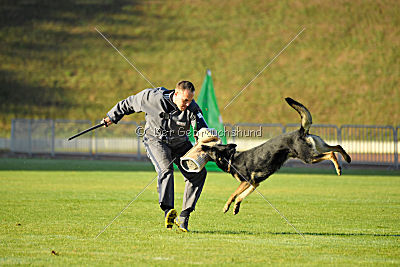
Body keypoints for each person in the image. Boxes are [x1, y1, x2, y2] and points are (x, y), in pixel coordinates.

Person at [102, 81, 208, 232]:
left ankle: (184, 216)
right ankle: (168, 211)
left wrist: (202, 136)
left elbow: (200, 126)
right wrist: (111, 117)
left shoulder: (192, 107)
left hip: (180, 143)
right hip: (156, 141)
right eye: (185, 100)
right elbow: (129, 103)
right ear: (176, 94)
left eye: (190, 100)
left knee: (198, 173)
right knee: (166, 169)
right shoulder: (152, 98)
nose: (188, 103)